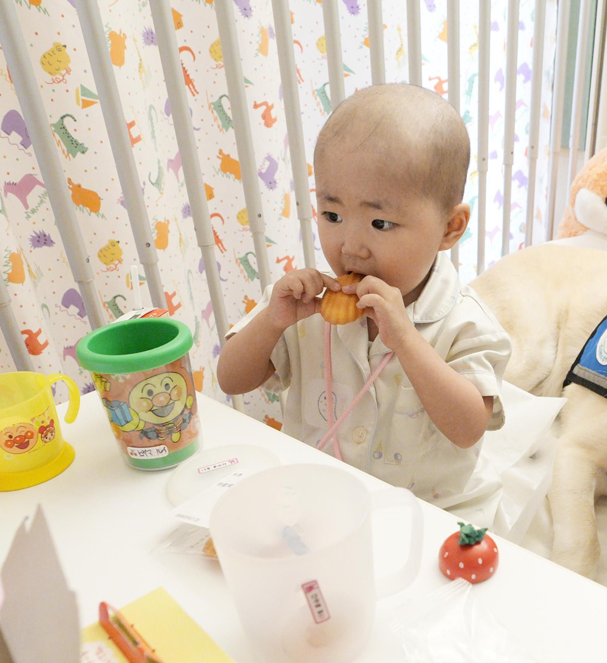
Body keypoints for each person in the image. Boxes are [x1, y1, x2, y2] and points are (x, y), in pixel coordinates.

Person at [218, 85, 510, 512]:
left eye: (380, 222)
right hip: (319, 495)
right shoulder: (303, 305)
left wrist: (407, 340)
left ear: (451, 228)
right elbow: (231, 379)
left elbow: (468, 428)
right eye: (332, 215)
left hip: (433, 510)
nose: (350, 245)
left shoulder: (466, 324)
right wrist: (271, 322)